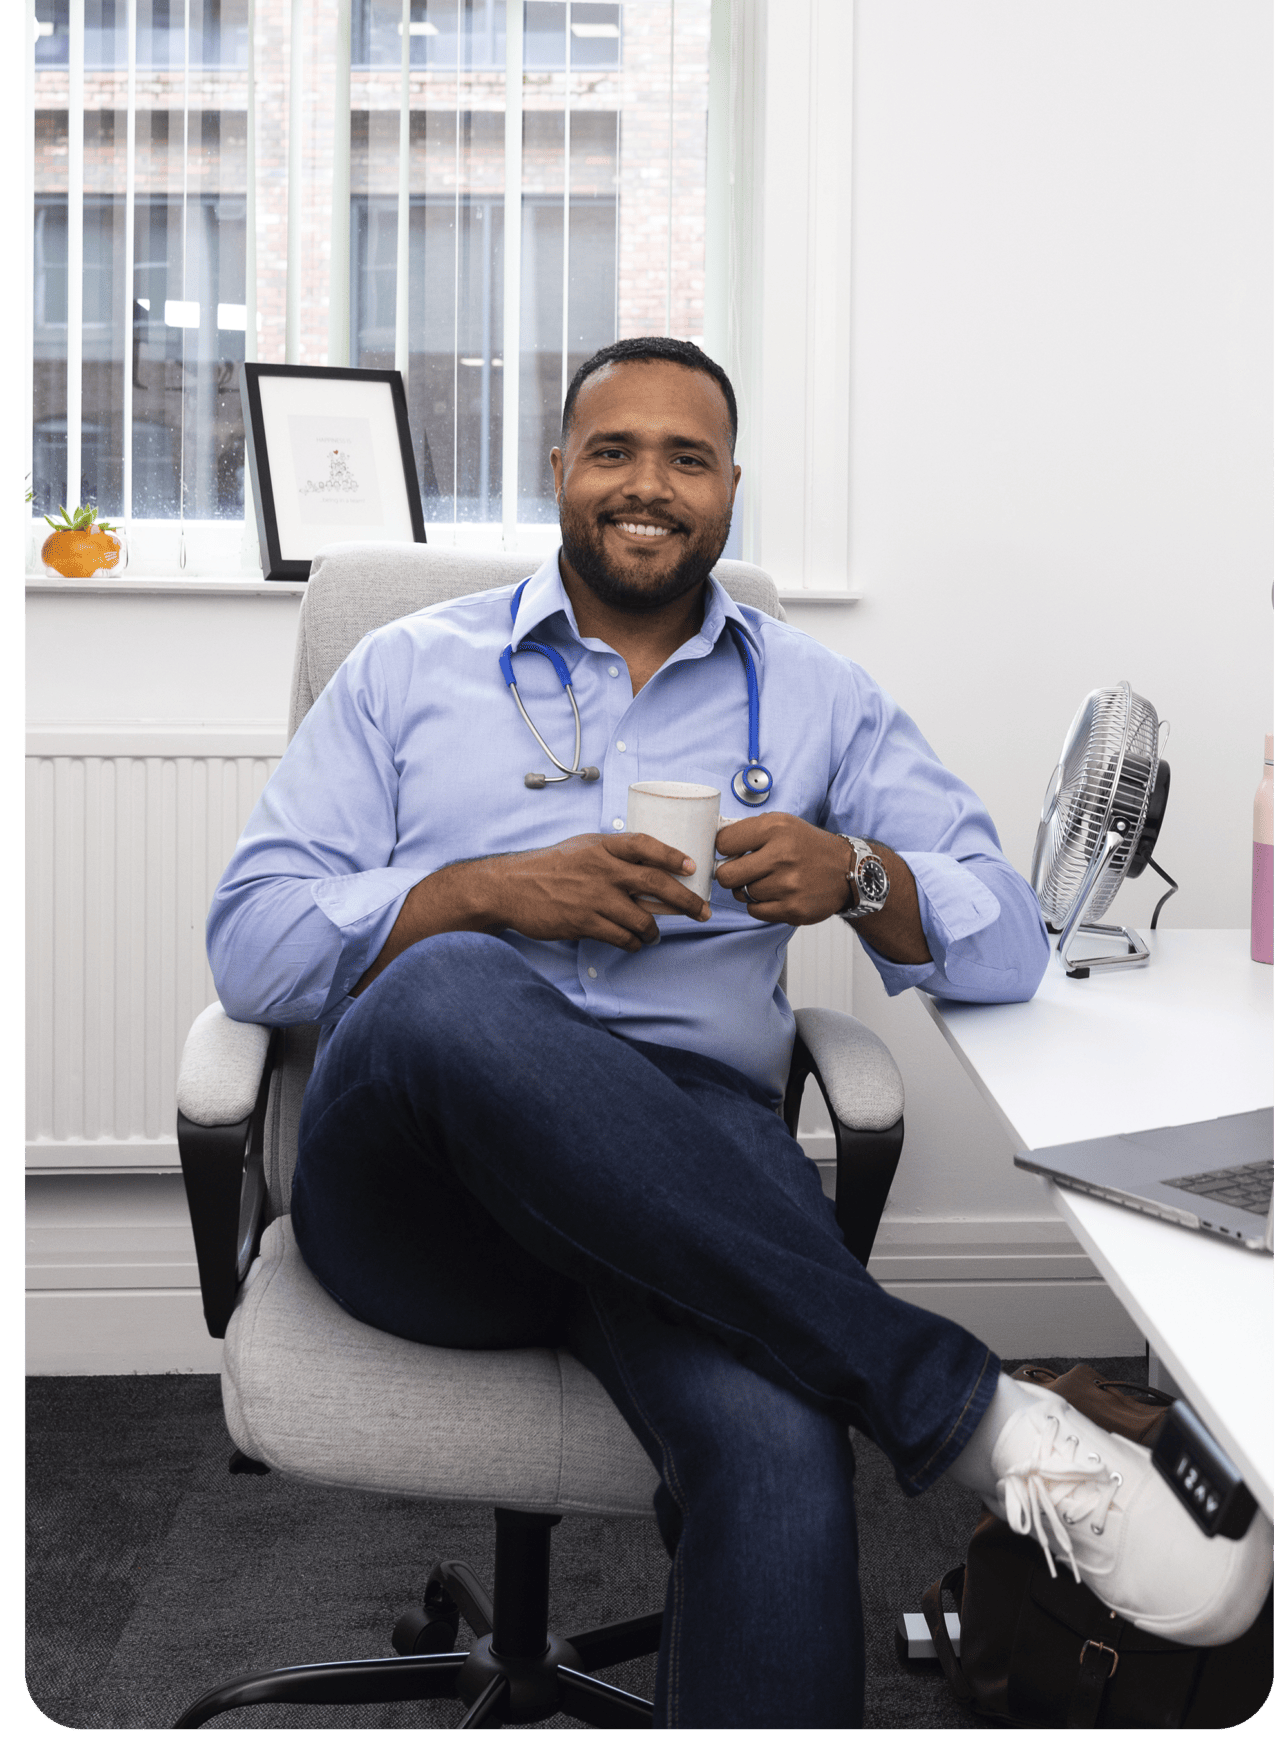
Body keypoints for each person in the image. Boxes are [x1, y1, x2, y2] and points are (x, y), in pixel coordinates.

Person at [208, 337, 1271, 1729]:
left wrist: (863, 878)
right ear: (560, 473)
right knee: (449, 986)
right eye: (615, 451)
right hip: (419, 1191)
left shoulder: (818, 695)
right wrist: (483, 893)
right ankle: (972, 1412)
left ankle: (939, 1414)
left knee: (777, 1449)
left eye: (687, 458)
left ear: (729, 489)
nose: (648, 485)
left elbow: (1013, 932)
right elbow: (252, 937)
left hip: (687, 1175)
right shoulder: (411, 670)